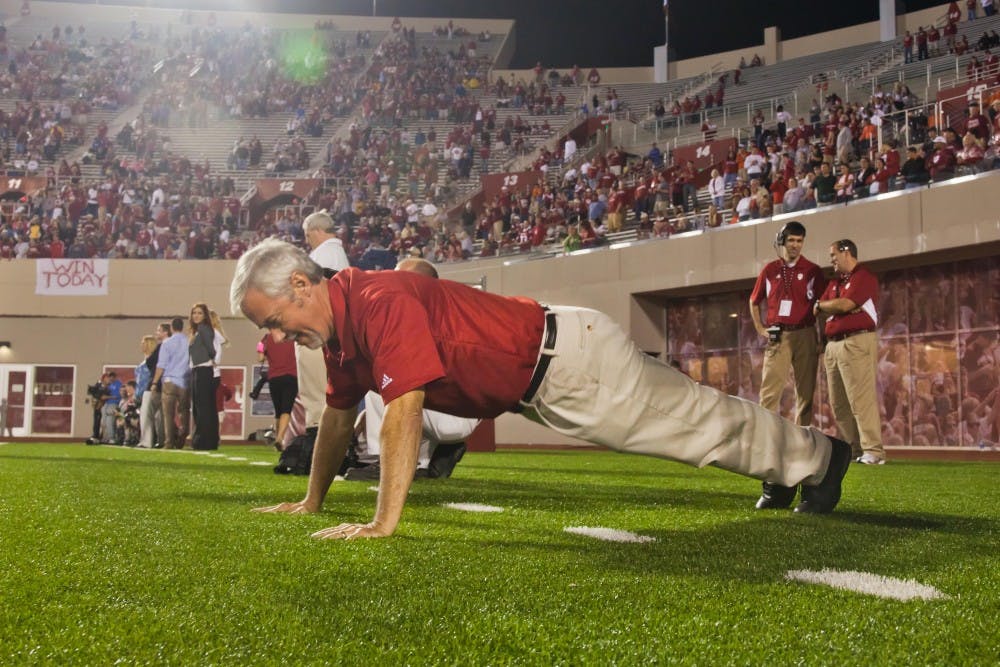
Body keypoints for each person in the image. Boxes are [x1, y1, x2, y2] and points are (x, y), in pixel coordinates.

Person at [232, 240, 852, 541]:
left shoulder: (374, 298)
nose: (276, 334)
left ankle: (820, 459)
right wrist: (313, 501)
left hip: (569, 362)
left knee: (695, 426)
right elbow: (339, 419)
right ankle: (793, 461)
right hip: (552, 374)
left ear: (300, 283)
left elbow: (405, 406)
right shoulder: (342, 333)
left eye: (272, 319)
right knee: (695, 421)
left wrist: (382, 523)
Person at [749, 222, 827, 509]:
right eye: (791, 240)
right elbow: (754, 300)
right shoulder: (769, 270)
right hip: (778, 334)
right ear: (782, 240)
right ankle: (767, 440)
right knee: (770, 392)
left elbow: (821, 305)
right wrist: (760, 330)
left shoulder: (813, 270)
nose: (795, 245)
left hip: (805, 332)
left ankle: (800, 440)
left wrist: (820, 337)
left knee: (805, 392)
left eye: (800, 240)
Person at [815, 240, 885, 465]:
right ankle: (854, 450)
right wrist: (829, 305)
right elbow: (821, 306)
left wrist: (831, 305)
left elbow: (844, 305)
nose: (831, 259)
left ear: (846, 252)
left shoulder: (864, 276)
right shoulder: (836, 282)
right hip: (833, 345)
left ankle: (873, 450)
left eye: (833, 254)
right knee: (839, 403)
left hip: (856, 341)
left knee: (860, 399)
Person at [152, 317, 190, 449]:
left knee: (168, 414)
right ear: (182, 327)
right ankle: (183, 434)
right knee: (184, 411)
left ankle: (169, 442)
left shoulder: (167, 343)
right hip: (185, 381)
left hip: (169, 381)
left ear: (172, 328)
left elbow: (161, 365)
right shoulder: (188, 341)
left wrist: (154, 382)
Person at [258, 330, 298, 450]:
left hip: (274, 378)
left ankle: (278, 438)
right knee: (286, 410)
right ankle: (280, 438)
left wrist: (263, 350)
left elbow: (260, 358)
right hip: (291, 376)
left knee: (278, 411)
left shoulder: (266, 338)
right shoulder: (293, 336)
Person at [188, 303, 219, 450]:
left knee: (203, 408)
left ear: (205, 315)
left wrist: (212, 357)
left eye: (199, 313)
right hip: (198, 370)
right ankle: (207, 441)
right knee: (203, 407)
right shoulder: (197, 331)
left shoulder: (203, 328)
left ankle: (203, 441)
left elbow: (211, 348)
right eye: (194, 313)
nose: (196, 316)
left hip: (203, 371)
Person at [139, 323, 169, 448]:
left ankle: (147, 441)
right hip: (165, 385)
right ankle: (162, 441)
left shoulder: (162, 347)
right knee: (161, 416)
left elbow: (152, 365)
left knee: (147, 414)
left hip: (154, 385)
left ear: (165, 332)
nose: (157, 333)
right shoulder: (169, 347)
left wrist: (154, 383)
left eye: (159, 331)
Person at [100, 371, 122, 444]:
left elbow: (118, 395)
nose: (111, 378)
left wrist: (109, 397)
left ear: (115, 377)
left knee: (110, 421)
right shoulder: (107, 384)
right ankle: (105, 438)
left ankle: (112, 438)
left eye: (112, 376)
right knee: (103, 421)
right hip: (106, 404)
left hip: (114, 403)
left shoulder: (118, 384)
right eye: (110, 376)